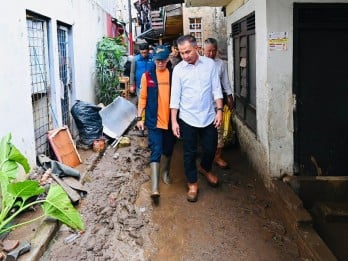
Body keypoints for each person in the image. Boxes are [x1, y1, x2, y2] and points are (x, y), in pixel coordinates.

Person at [170, 35, 223, 202]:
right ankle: (192, 183)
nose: (185, 56)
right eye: (182, 53)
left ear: (197, 48)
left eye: (187, 52)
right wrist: (174, 121)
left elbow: (216, 88)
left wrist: (220, 110)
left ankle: (205, 168)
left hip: (208, 115)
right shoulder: (178, 70)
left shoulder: (210, 65)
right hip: (187, 118)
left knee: (210, 148)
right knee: (189, 152)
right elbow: (175, 97)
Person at [136, 45, 176, 202]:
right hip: (154, 120)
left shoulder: (173, 75)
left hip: (171, 121)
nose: (160, 63)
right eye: (158, 60)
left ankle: (166, 172)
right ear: (154, 60)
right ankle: (155, 187)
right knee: (156, 149)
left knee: (168, 148)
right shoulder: (147, 76)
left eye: (163, 60)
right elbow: (143, 98)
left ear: (168, 59)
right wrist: (139, 118)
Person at [203, 38, 234, 169]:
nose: (211, 53)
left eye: (214, 51)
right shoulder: (199, 63)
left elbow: (225, 82)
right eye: (208, 51)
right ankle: (206, 157)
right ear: (202, 50)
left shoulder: (220, 64)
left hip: (217, 105)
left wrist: (230, 96)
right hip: (203, 105)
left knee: (219, 131)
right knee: (204, 132)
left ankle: (217, 156)